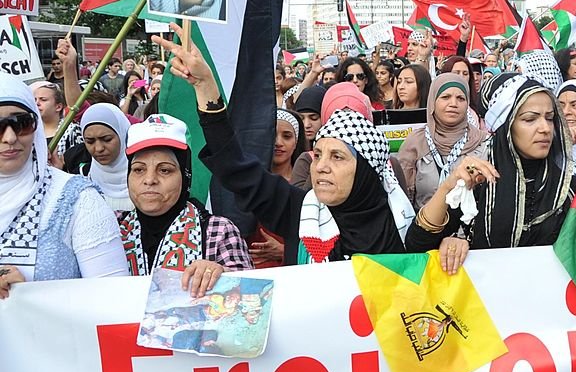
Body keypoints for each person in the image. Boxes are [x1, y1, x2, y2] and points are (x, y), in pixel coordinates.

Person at [153, 25, 410, 264]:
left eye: (337, 157)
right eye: (318, 154)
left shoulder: (406, 227)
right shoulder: (299, 210)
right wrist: (205, 87)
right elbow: (236, 169)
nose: (320, 167)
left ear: (366, 169)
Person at [406, 75, 576, 262]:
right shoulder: (480, 182)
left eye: (550, 118)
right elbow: (416, 245)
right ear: (506, 126)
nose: (545, 128)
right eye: (530, 119)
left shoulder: (570, 188)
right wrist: (453, 239)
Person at [0, 74, 128, 290]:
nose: (10, 137)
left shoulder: (76, 198)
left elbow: (112, 299)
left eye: (21, 123)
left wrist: (28, 297)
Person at [120, 115, 251, 290]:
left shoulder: (218, 231)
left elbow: (249, 296)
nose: (149, 180)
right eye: (139, 169)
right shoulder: (111, 229)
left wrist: (223, 273)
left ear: (185, 175)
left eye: (165, 170)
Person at [398, 74, 488, 209]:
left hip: (471, 227)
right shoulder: (415, 143)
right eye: (445, 97)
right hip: (425, 226)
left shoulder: (484, 142)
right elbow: (403, 199)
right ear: (433, 101)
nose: (453, 104)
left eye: (460, 98)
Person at [62, 103, 134, 213]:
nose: (99, 148)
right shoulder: (81, 179)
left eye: (107, 139)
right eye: (90, 141)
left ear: (122, 134)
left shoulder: (146, 178)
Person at [30, 82, 83, 159]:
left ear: (58, 107)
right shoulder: (30, 132)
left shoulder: (72, 130)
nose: (37, 103)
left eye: (43, 100)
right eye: (35, 100)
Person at [272, 109, 306, 182]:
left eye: (287, 136)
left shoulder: (307, 181)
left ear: (296, 142)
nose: (278, 143)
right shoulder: (252, 180)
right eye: (272, 135)